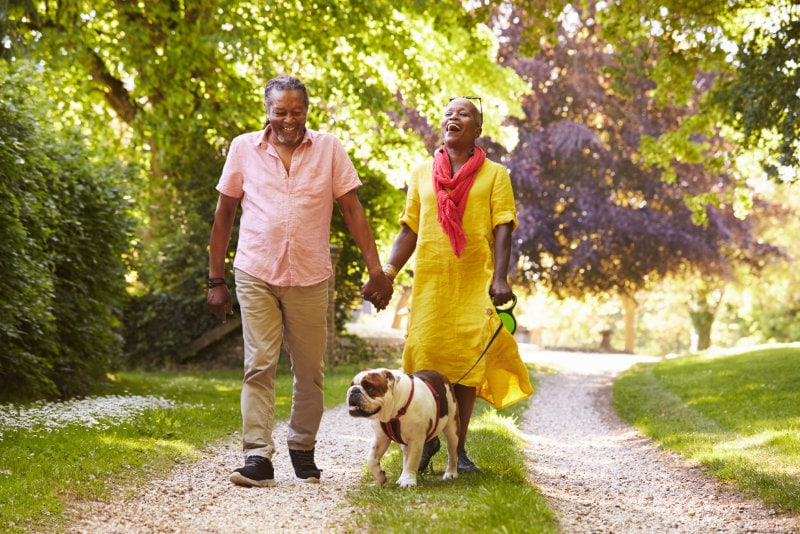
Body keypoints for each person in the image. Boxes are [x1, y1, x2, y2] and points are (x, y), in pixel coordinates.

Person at [207, 74, 393, 487]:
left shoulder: (328, 148)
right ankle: (257, 456)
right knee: (259, 365)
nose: (288, 120)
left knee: (310, 370)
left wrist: (375, 270)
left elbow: (352, 209)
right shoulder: (243, 148)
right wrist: (215, 280)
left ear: (307, 111)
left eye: (296, 111)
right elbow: (223, 216)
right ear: (267, 112)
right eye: (280, 112)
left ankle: (302, 447)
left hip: (309, 276)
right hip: (255, 271)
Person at [382, 96, 533, 473]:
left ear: (477, 129)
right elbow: (409, 230)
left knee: (466, 366)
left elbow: (503, 227)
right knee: (424, 358)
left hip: (472, 281)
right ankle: (426, 440)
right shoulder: (420, 173)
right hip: (431, 282)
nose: (453, 118)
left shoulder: (496, 175)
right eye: (449, 113)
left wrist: (500, 277)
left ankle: (458, 451)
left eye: (463, 114)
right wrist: (386, 273)